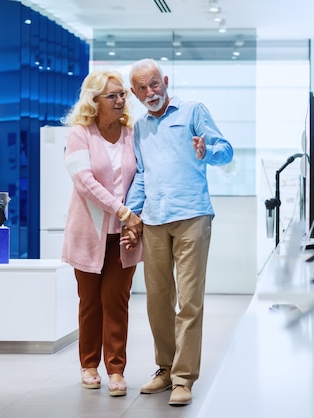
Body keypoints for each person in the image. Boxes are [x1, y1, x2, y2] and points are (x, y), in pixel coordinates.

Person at [125, 58, 234, 406]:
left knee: (189, 300)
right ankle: (164, 368)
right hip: (155, 220)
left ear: (165, 81)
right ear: (134, 93)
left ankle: (184, 378)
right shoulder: (140, 128)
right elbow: (141, 174)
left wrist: (207, 152)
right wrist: (131, 215)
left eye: (154, 84)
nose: (150, 92)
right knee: (158, 301)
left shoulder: (192, 111)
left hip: (192, 216)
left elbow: (225, 150)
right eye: (142, 88)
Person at [62, 70, 143, 397]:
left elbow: (141, 177)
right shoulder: (80, 135)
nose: (121, 100)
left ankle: (117, 369)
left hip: (124, 237)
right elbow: (84, 182)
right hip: (89, 235)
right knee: (90, 304)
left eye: (122, 93)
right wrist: (122, 211)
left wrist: (133, 218)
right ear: (94, 101)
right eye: (112, 95)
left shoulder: (130, 133)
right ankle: (89, 365)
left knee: (117, 303)